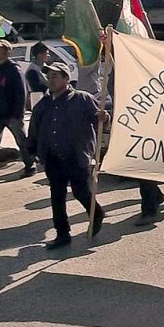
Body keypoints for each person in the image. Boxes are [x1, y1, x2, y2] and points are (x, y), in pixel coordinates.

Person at [27, 62, 107, 248]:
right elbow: (34, 128)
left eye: (55, 76)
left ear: (65, 79)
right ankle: (62, 234)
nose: (51, 79)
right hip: (53, 158)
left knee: (81, 192)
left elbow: (99, 119)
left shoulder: (82, 99)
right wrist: (31, 149)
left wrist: (104, 117)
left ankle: (96, 213)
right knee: (57, 196)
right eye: (49, 76)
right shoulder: (43, 104)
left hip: (76, 156)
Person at [0, 39, 35, 176]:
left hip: (12, 114)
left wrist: (18, 114)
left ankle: (30, 166)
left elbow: (21, 93)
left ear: (7, 52)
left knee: (22, 142)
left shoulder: (13, 69)